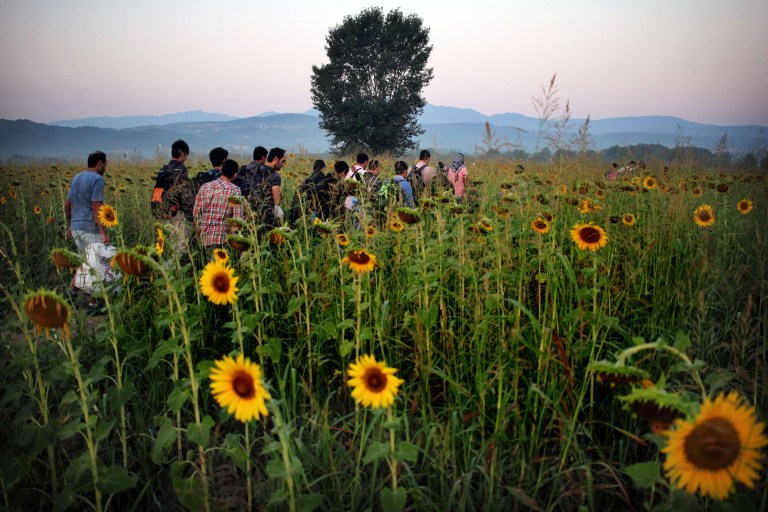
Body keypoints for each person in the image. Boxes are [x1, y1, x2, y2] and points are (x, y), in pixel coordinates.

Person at [151, 140, 196, 257]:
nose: (186, 158)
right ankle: (175, 267)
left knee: (170, 243)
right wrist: (191, 215)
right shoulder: (180, 169)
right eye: (186, 155)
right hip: (176, 212)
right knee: (181, 246)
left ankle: (168, 264)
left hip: (163, 212)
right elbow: (185, 194)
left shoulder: (162, 169)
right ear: (183, 153)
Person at [193, 159, 243, 254]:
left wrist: (199, 232)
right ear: (235, 174)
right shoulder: (235, 190)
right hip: (223, 240)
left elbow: (196, 213)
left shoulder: (205, 187)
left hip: (205, 238)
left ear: (221, 170)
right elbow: (237, 220)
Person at [65, 151, 109, 251]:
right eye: (104, 166)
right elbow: (96, 207)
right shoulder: (98, 179)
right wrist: (103, 233)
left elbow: (67, 204)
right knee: (100, 260)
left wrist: (71, 225)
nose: (105, 169)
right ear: (100, 164)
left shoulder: (76, 178)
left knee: (85, 260)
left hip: (76, 230)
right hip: (91, 230)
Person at [247, 147, 286, 230]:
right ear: (276, 159)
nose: (284, 165)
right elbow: (277, 201)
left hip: (252, 212)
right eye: (283, 161)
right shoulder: (274, 175)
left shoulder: (256, 170)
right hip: (268, 215)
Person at [287, 159, 331, 226]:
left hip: (302, 216)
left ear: (313, 169)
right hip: (318, 218)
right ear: (323, 169)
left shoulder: (305, 181)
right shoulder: (324, 182)